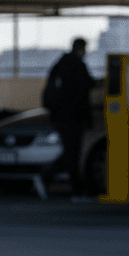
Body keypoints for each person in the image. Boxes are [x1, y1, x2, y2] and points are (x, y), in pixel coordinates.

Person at [42, 37, 95, 198]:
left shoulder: (60, 64)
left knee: (70, 152)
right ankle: (49, 176)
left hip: (59, 116)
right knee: (72, 153)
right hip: (73, 118)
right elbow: (83, 93)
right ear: (81, 49)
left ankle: (74, 186)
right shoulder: (78, 66)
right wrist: (88, 118)